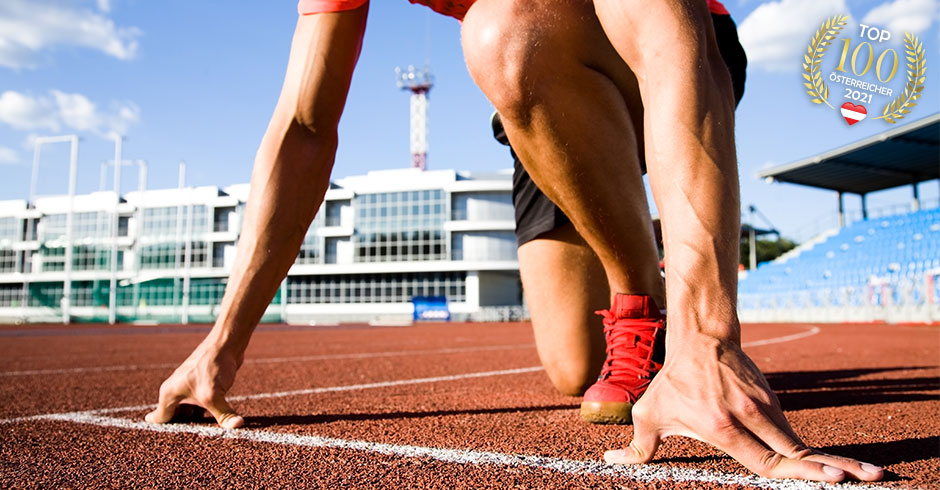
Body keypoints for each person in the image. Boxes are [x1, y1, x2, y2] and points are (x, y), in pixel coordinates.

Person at [145, 0, 885, 482]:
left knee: (500, 32)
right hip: (540, 80)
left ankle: (659, 319)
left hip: (663, 45)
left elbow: (670, 36)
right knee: (575, 369)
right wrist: (222, 344)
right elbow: (304, 127)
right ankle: (643, 289)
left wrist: (709, 343)